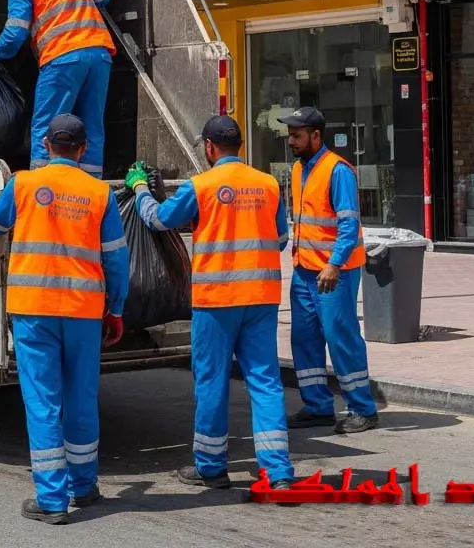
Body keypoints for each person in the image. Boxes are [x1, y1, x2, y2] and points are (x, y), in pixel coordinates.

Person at [128, 115, 295, 494]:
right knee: (265, 383)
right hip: (262, 299)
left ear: (209, 147)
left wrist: (139, 189)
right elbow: (282, 239)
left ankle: (211, 467)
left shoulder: (200, 186)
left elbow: (158, 220)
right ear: (240, 145)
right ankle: (278, 472)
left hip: (216, 301)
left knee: (212, 382)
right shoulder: (268, 184)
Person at [0, 113, 130, 524]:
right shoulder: (100, 193)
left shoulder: (24, 184)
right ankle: (83, 486)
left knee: (43, 401)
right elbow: (117, 257)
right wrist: (115, 308)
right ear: (84, 150)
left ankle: (52, 499)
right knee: (81, 397)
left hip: (33, 309)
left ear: (47, 145)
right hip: (83, 311)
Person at [0, 0, 116, 178]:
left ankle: (41, 185)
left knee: (46, 126)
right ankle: (92, 186)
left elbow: (14, 35)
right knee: (92, 127)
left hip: (63, 57)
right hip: (99, 54)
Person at [284, 107, 379, 435]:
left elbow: (349, 224)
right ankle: (318, 405)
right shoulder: (298, 170)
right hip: (304, 270)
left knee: (341, 337)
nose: (291, 140)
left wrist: (334, 264)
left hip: (333, 272)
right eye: (290, 134)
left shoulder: (337, 170)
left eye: (297, 135)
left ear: (315, 135)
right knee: (304, 338)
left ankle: (363, 408)